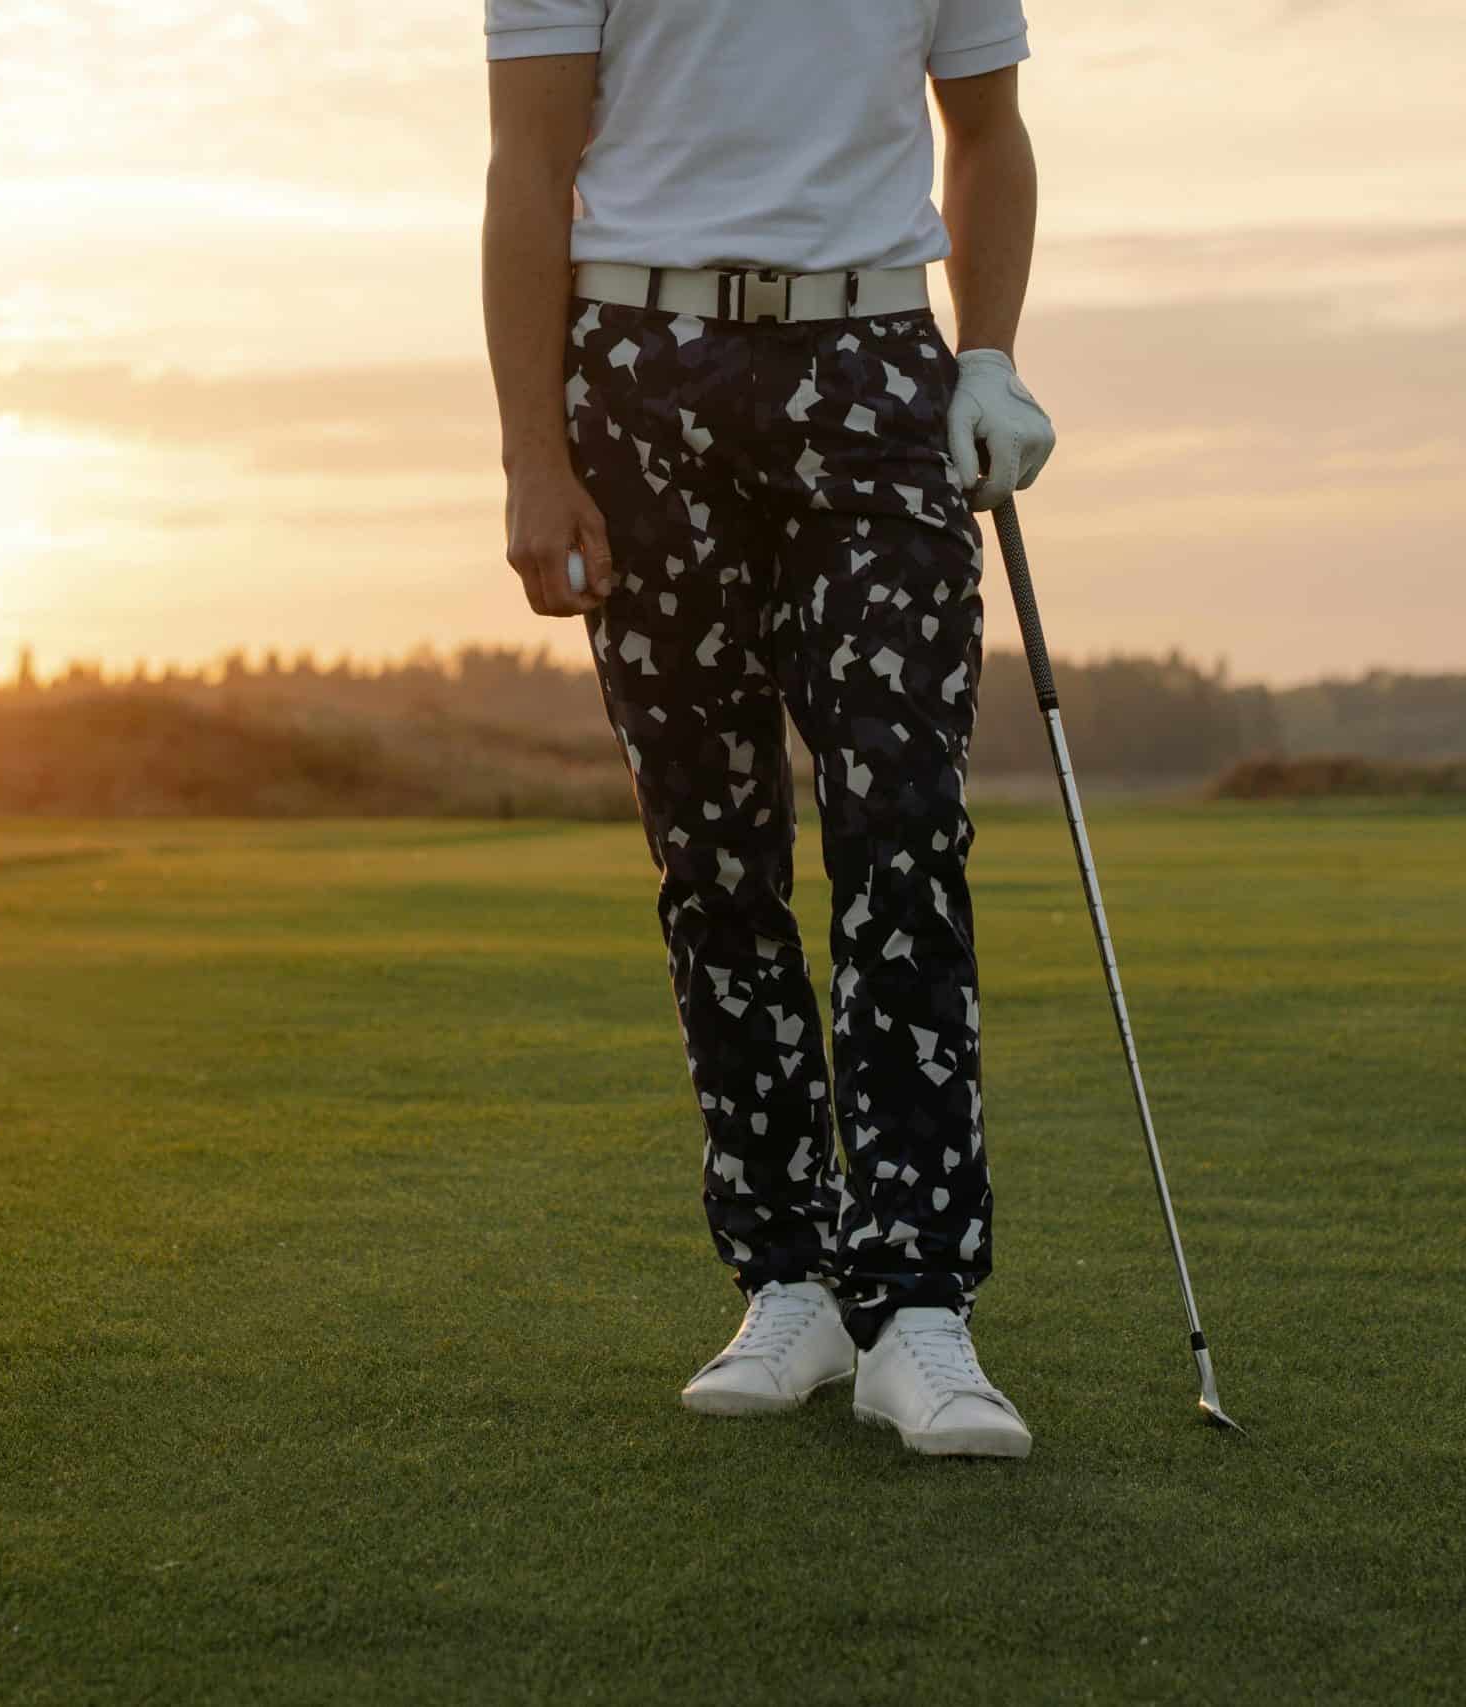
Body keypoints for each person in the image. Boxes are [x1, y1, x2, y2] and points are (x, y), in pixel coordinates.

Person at [480, 1, 1056, 1458]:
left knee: (903, 832)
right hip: (640, 378)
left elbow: (984, 133)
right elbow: (526, 167)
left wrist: (987, 358)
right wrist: (533, 462)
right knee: (714, 857)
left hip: (873, 369)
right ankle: (787, 1277)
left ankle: (918, 1304)